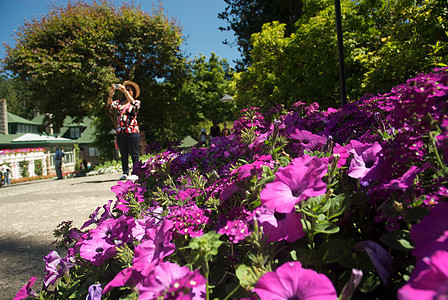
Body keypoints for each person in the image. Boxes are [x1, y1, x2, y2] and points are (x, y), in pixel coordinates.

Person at [106, 80, 141, 181]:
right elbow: (109, 105)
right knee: (123, 153)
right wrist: (111, 93)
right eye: (127, 90)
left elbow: (135, 104)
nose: (128, 91)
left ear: (133, 93)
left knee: (134, 152)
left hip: (132, 131)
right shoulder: (119, 103)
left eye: (130, 90)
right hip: (121, 131)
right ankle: (125, 172)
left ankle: (136, 172)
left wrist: (124, 91)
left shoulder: (136, 102)